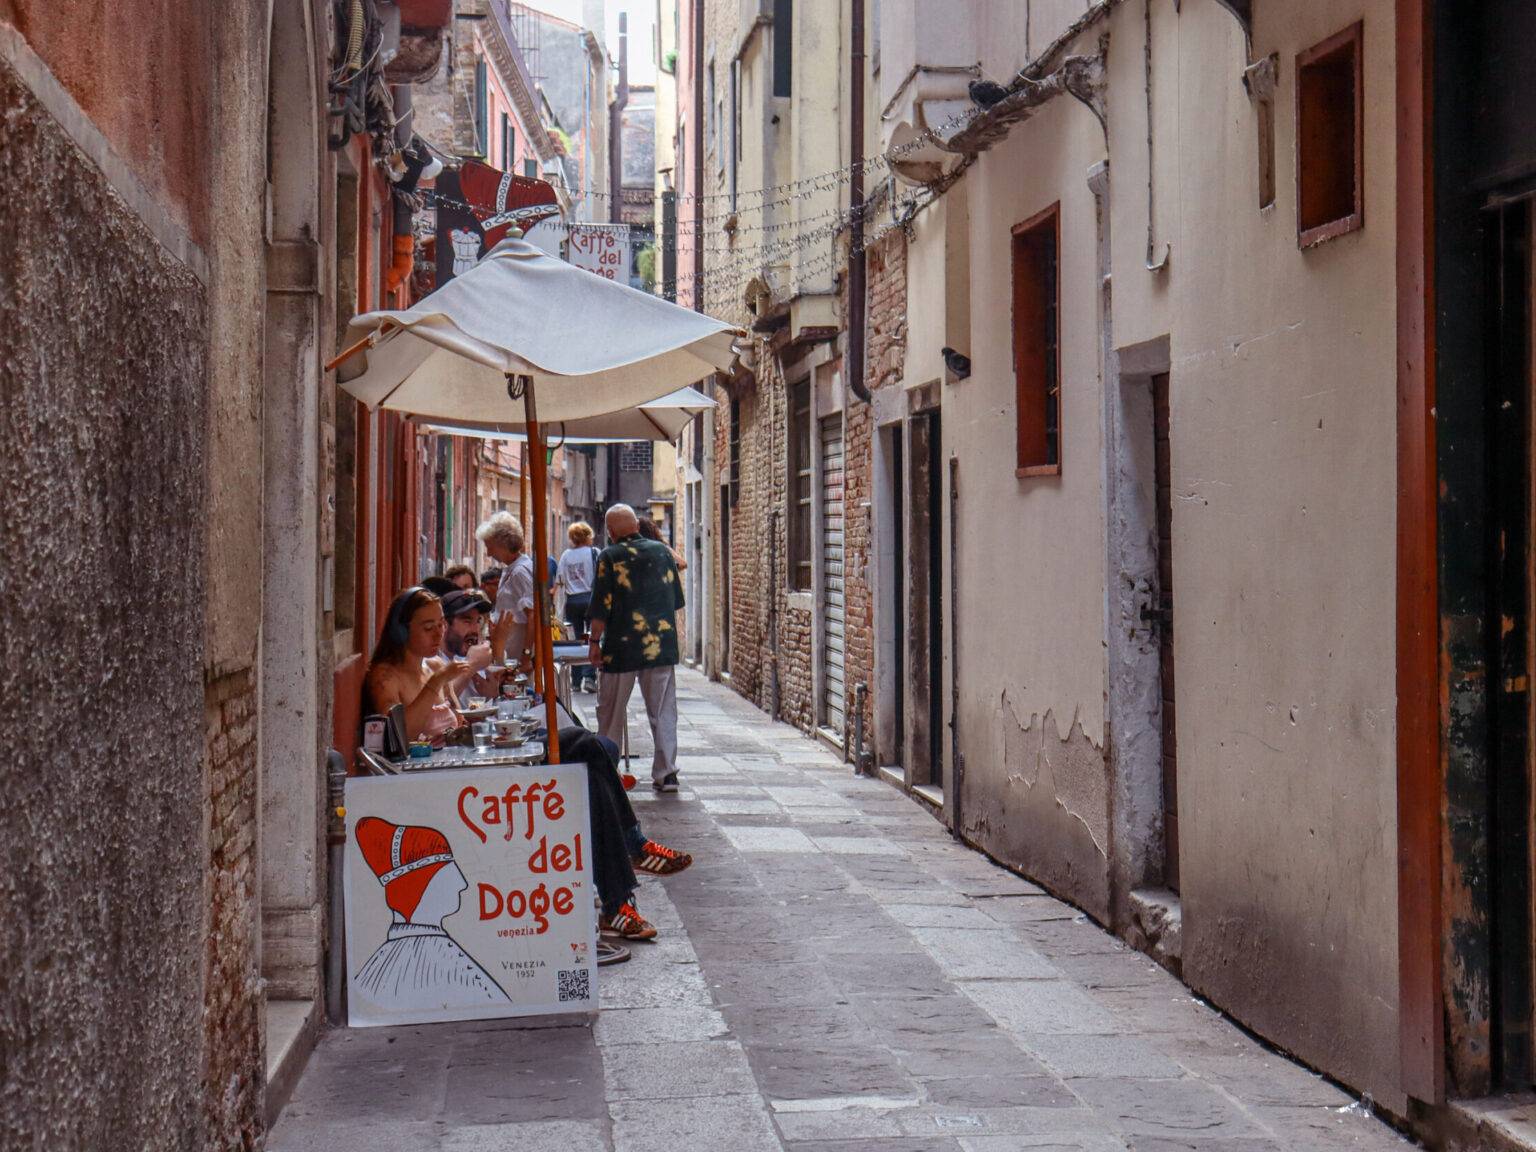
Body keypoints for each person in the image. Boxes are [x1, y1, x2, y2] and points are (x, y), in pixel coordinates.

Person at [590, 504, 686, 792]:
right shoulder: (661, 552)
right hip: (660, 645)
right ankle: (667, 773)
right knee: (663, 710)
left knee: (611, 711)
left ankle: (607, 769)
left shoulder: (610, 556)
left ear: (610, 531)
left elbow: (601, 607)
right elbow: (676, 601)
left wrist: (594, 642)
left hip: (622, 647)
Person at [364, 587, 489, 742]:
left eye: (441, 625)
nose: (438, 634)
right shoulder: (385, 677)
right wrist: (435, 682)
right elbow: (399, 735)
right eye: (428, 628)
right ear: (402, 631)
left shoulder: (437, 666)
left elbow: (459, 722)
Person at [476, 512, 535, 667]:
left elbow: (533, 616)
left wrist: (526, 655)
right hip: (509, 647)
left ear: (503, 544)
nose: (488, 553)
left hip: (516, 648)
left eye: (490, 547)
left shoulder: (520, 572)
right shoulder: (511, 569)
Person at [439, 588, 504, 704]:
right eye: (467, 621)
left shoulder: (461, 659)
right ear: (444, 625)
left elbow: (476, 709)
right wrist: (471, 665)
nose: (475, 630)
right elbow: (438, 704)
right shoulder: (428, 661)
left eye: (478, 621)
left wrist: (491, 694)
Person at [557, 521, 601, 691]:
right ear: (587, 536)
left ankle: (575, 681)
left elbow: (560, 580)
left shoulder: (566, 555)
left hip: (572, 601)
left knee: (574, 641)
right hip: (590, 599)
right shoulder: (594, 552)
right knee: (591, 638)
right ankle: (589, 677)